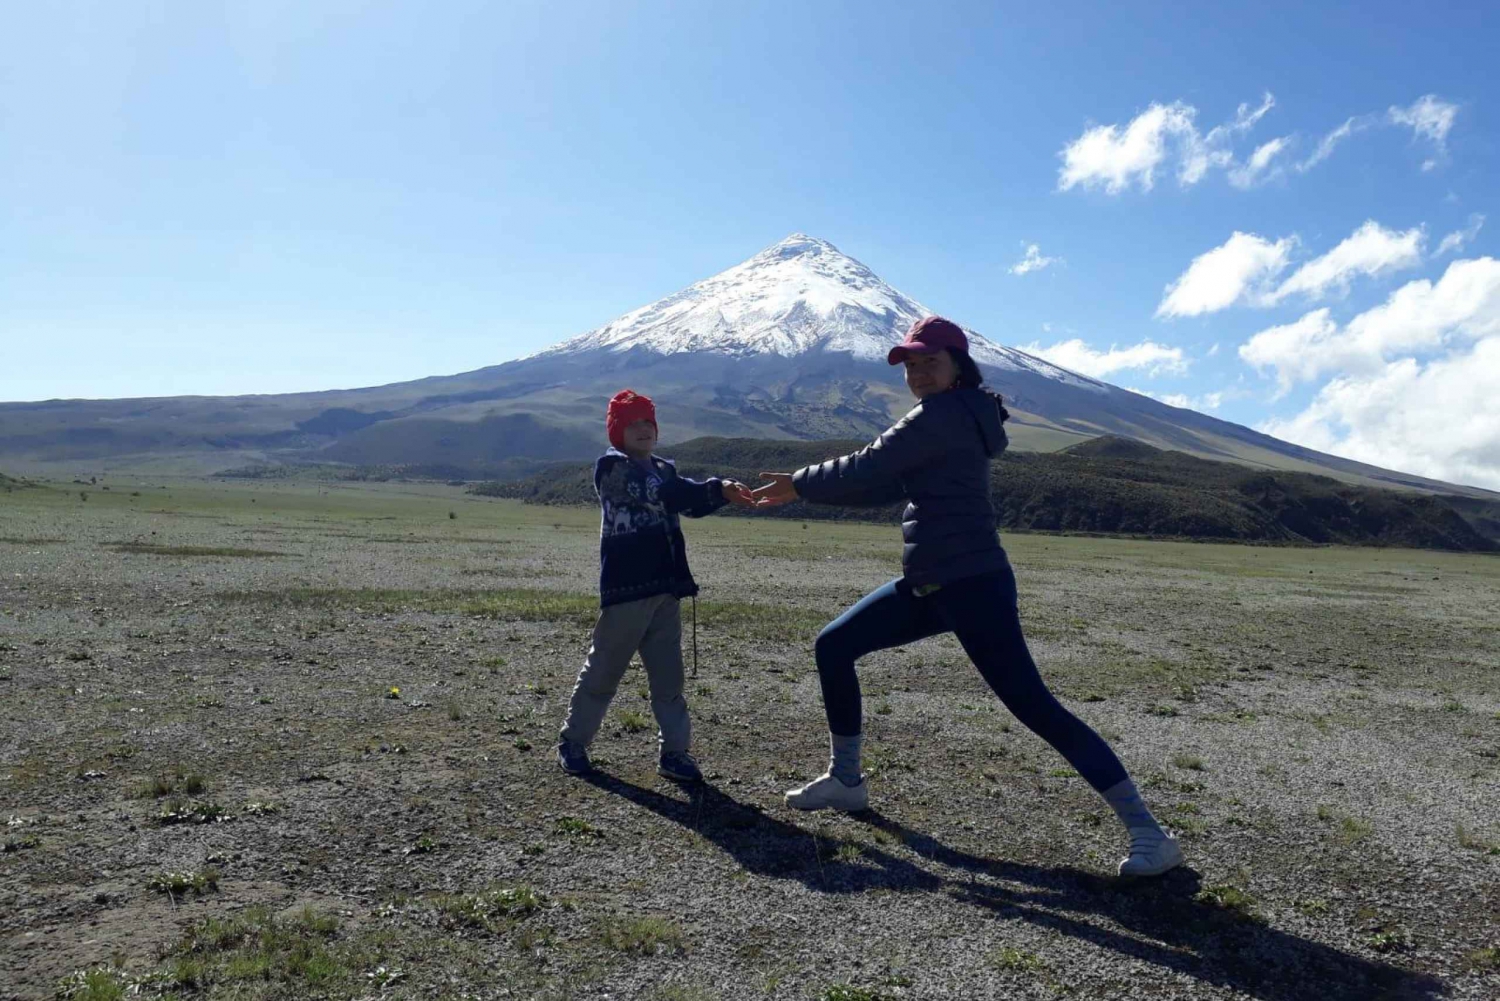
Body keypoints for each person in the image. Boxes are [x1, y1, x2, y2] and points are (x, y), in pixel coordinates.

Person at [751, 317, 1182, 877]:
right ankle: (847, 782)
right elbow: (885, 485)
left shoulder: (944, 413)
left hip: (971, 584)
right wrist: (806, 495)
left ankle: (1150, 833)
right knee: (834, 646)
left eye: (930, 362)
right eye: (910, 365)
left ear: (959, 365)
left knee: (1035, 708)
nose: (918, 374)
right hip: (931, 582)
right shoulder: (960, 415)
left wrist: (799, 481)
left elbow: (868, 464)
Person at [557, 389, 754, 782]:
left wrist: (726, 494)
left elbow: (689, 503)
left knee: (669, 678)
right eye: (633, 423)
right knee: (604, 671)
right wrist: (715, 488)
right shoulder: (612, 469)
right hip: (628, 589)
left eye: (648, 421)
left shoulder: (663, 468)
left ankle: (675, 754)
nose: (643, 429)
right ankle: (573, 742)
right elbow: (663, 496)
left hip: (666, 588)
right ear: (617, 431)